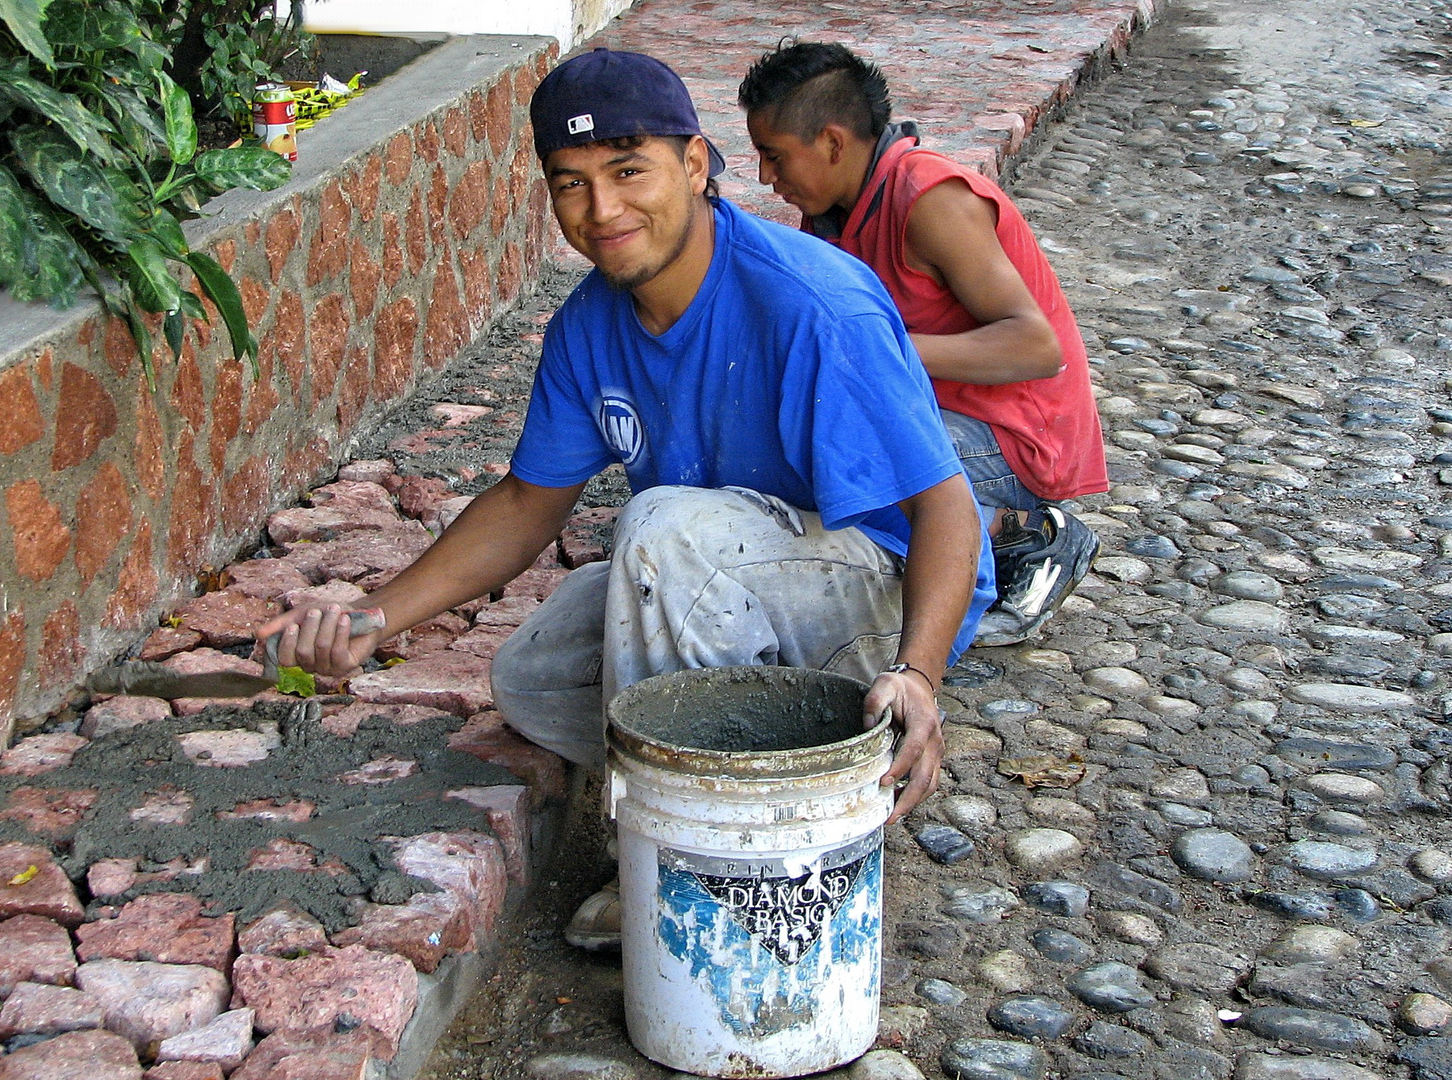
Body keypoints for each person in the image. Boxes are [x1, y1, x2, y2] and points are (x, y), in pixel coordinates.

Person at [255, 48, 996, 950]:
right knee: (532, 676)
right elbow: (529, 501)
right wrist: (370, 618)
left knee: (659, 530)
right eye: (571, 185)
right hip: (735, 579)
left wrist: (918, 673)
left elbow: (946, 509)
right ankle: (784, 760)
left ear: (694, 164)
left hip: (872, 597)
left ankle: (682, 874)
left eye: (628, 169)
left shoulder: (812, 305)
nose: (602, 211)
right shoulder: (589, 325)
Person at [738, 42, 1108, 646]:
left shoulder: (932, 200)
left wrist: (885, 350)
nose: (764, 177)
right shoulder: (835, 210)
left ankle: (1025, 531)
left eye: (774, 156)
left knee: (843, 458)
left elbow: (1038, 347)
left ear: (833, 143)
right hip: (929, 408)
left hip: (1014, 435)